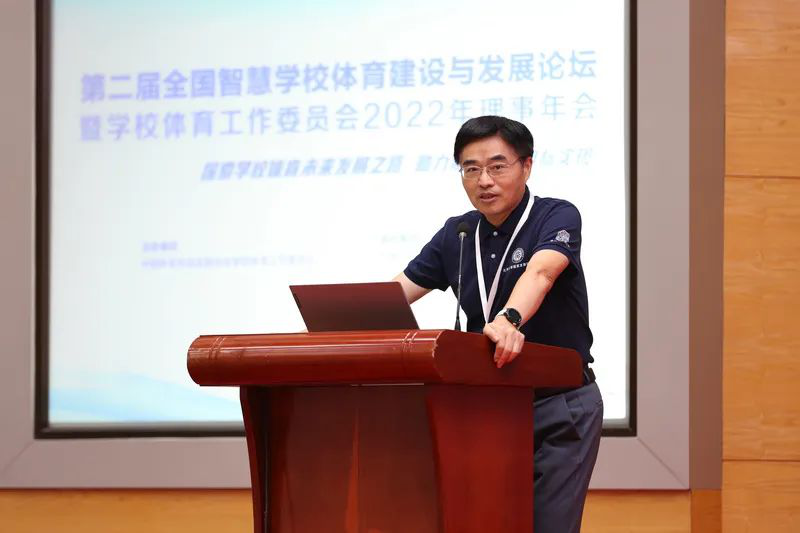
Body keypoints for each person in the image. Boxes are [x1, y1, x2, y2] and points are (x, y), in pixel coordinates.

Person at [393, 115, 603, 533]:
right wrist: (347, 319)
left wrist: (509, 319)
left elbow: (542, 272)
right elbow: (397, 292)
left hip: (557, 404)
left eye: (497, 166)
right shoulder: (457, 234)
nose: (483, 180)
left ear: (526, 166)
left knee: (547, 526)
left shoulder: (555, 215)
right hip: (488, 407)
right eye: (470, 169)